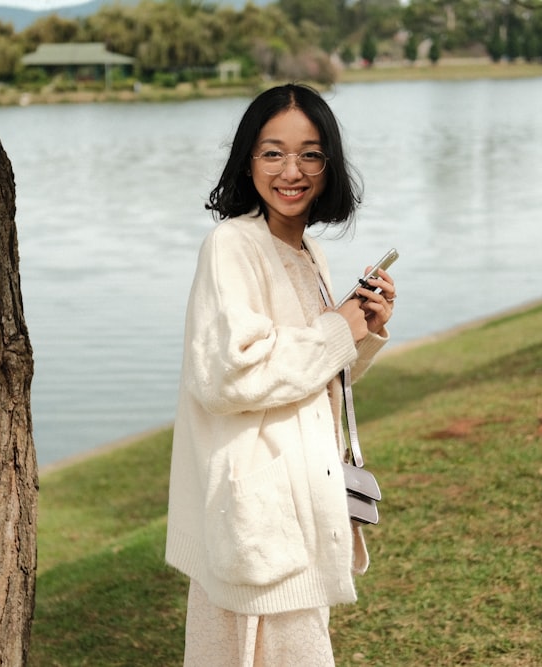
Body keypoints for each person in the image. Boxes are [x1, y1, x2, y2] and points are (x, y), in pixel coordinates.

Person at [165, 83, 396, 666]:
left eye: (310, 153)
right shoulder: (231, 245)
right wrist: (337, 330)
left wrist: (361, 327)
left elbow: (309, 380)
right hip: (256, 512)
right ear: (248, 160)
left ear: (329, 164)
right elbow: (228, 377)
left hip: (297, 502)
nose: (291, 170)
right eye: (272, 152)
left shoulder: (307, 252)